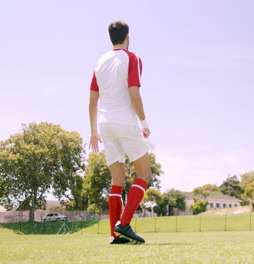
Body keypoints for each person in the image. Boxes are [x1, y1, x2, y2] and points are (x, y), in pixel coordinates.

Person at [89, 20, 152, 244]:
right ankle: (123, 224)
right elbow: (134, 95)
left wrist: (93, 131)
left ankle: (114, 235)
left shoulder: (100, 61)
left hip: (105, 126)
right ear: (128, 37)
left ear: (110, 38)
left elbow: (92, 98)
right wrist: (144, 123)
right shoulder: (132, 58)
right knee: (144, 174)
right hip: (125, 122)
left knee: (117, 180)